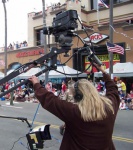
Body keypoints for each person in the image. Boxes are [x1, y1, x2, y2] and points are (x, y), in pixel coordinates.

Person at [29, 63, 120, 150]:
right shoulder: (110, 107)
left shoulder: (75, 112)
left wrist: (36, 84)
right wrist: (103, 72)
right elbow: (113, 90)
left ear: (78, 96)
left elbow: (50, 100)